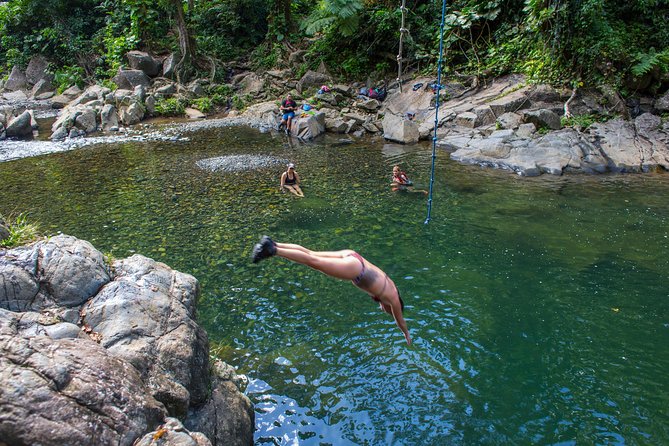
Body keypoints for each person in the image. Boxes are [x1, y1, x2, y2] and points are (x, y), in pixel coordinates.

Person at [251, 236, 412, 345]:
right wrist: (406, 334)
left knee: (311, 254)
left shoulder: (391, 287)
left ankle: (274, 244)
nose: (382, 309)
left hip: (353, 256)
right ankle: (273, 250)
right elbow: (400, 320)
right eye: (386, 310)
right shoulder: (393, 300)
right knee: (313, 261)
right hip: (356, 269)